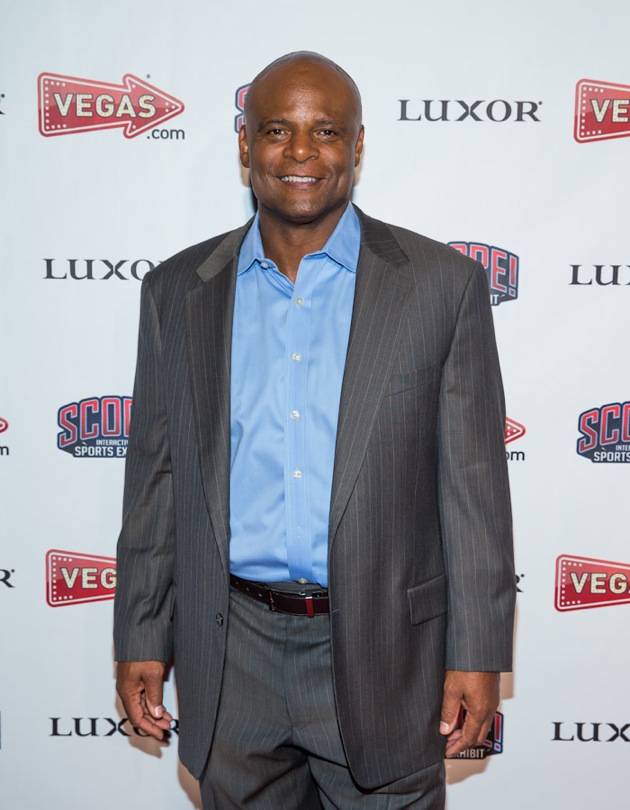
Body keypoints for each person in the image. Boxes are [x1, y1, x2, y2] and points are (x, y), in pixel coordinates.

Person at [113, 51, 516, 809]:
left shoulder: (441, 286)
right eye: (277, 130)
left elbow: (474, 492)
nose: (301, 152)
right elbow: (156, 479)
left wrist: (479, 652)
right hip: (232, 650)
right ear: (244, 144)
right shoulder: (177, 290)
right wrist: (140, 633)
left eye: (326, 131)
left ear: (357, 146)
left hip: (384, 650)